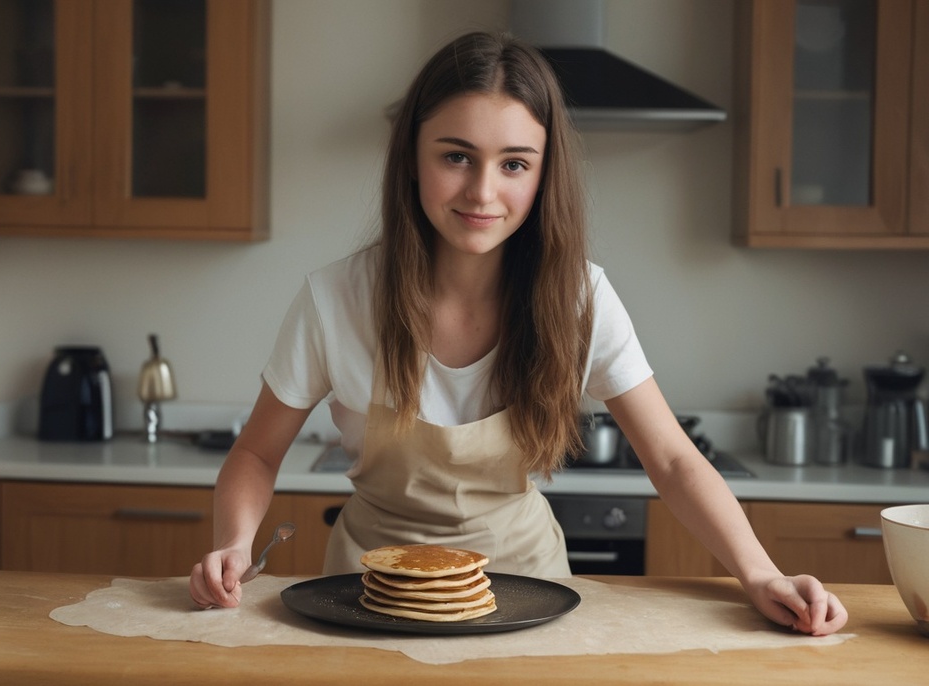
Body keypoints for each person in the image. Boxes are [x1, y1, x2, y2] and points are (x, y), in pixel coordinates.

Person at [189, 31, 847, 636]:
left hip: (529, 591)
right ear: (413, 159)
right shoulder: (336, 298)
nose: (482, 191)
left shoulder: (580, 297)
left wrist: (761, 572)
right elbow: (255, 454)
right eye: (456, 156)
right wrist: (233, 545)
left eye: (514, 164)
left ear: (542, 174)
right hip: (369, 597)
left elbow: (673, 461)